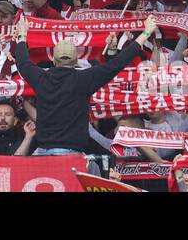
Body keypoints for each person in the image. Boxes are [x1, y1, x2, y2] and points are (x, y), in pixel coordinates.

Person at [12, 15, 158, 156]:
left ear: (53, 59)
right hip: (71, 156)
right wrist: (144, 33)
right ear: (76, 60)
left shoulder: (41, 78)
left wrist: (22, 36)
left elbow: (22, 62)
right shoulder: (84, 78)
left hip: (42, 153)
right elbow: (116, 64)